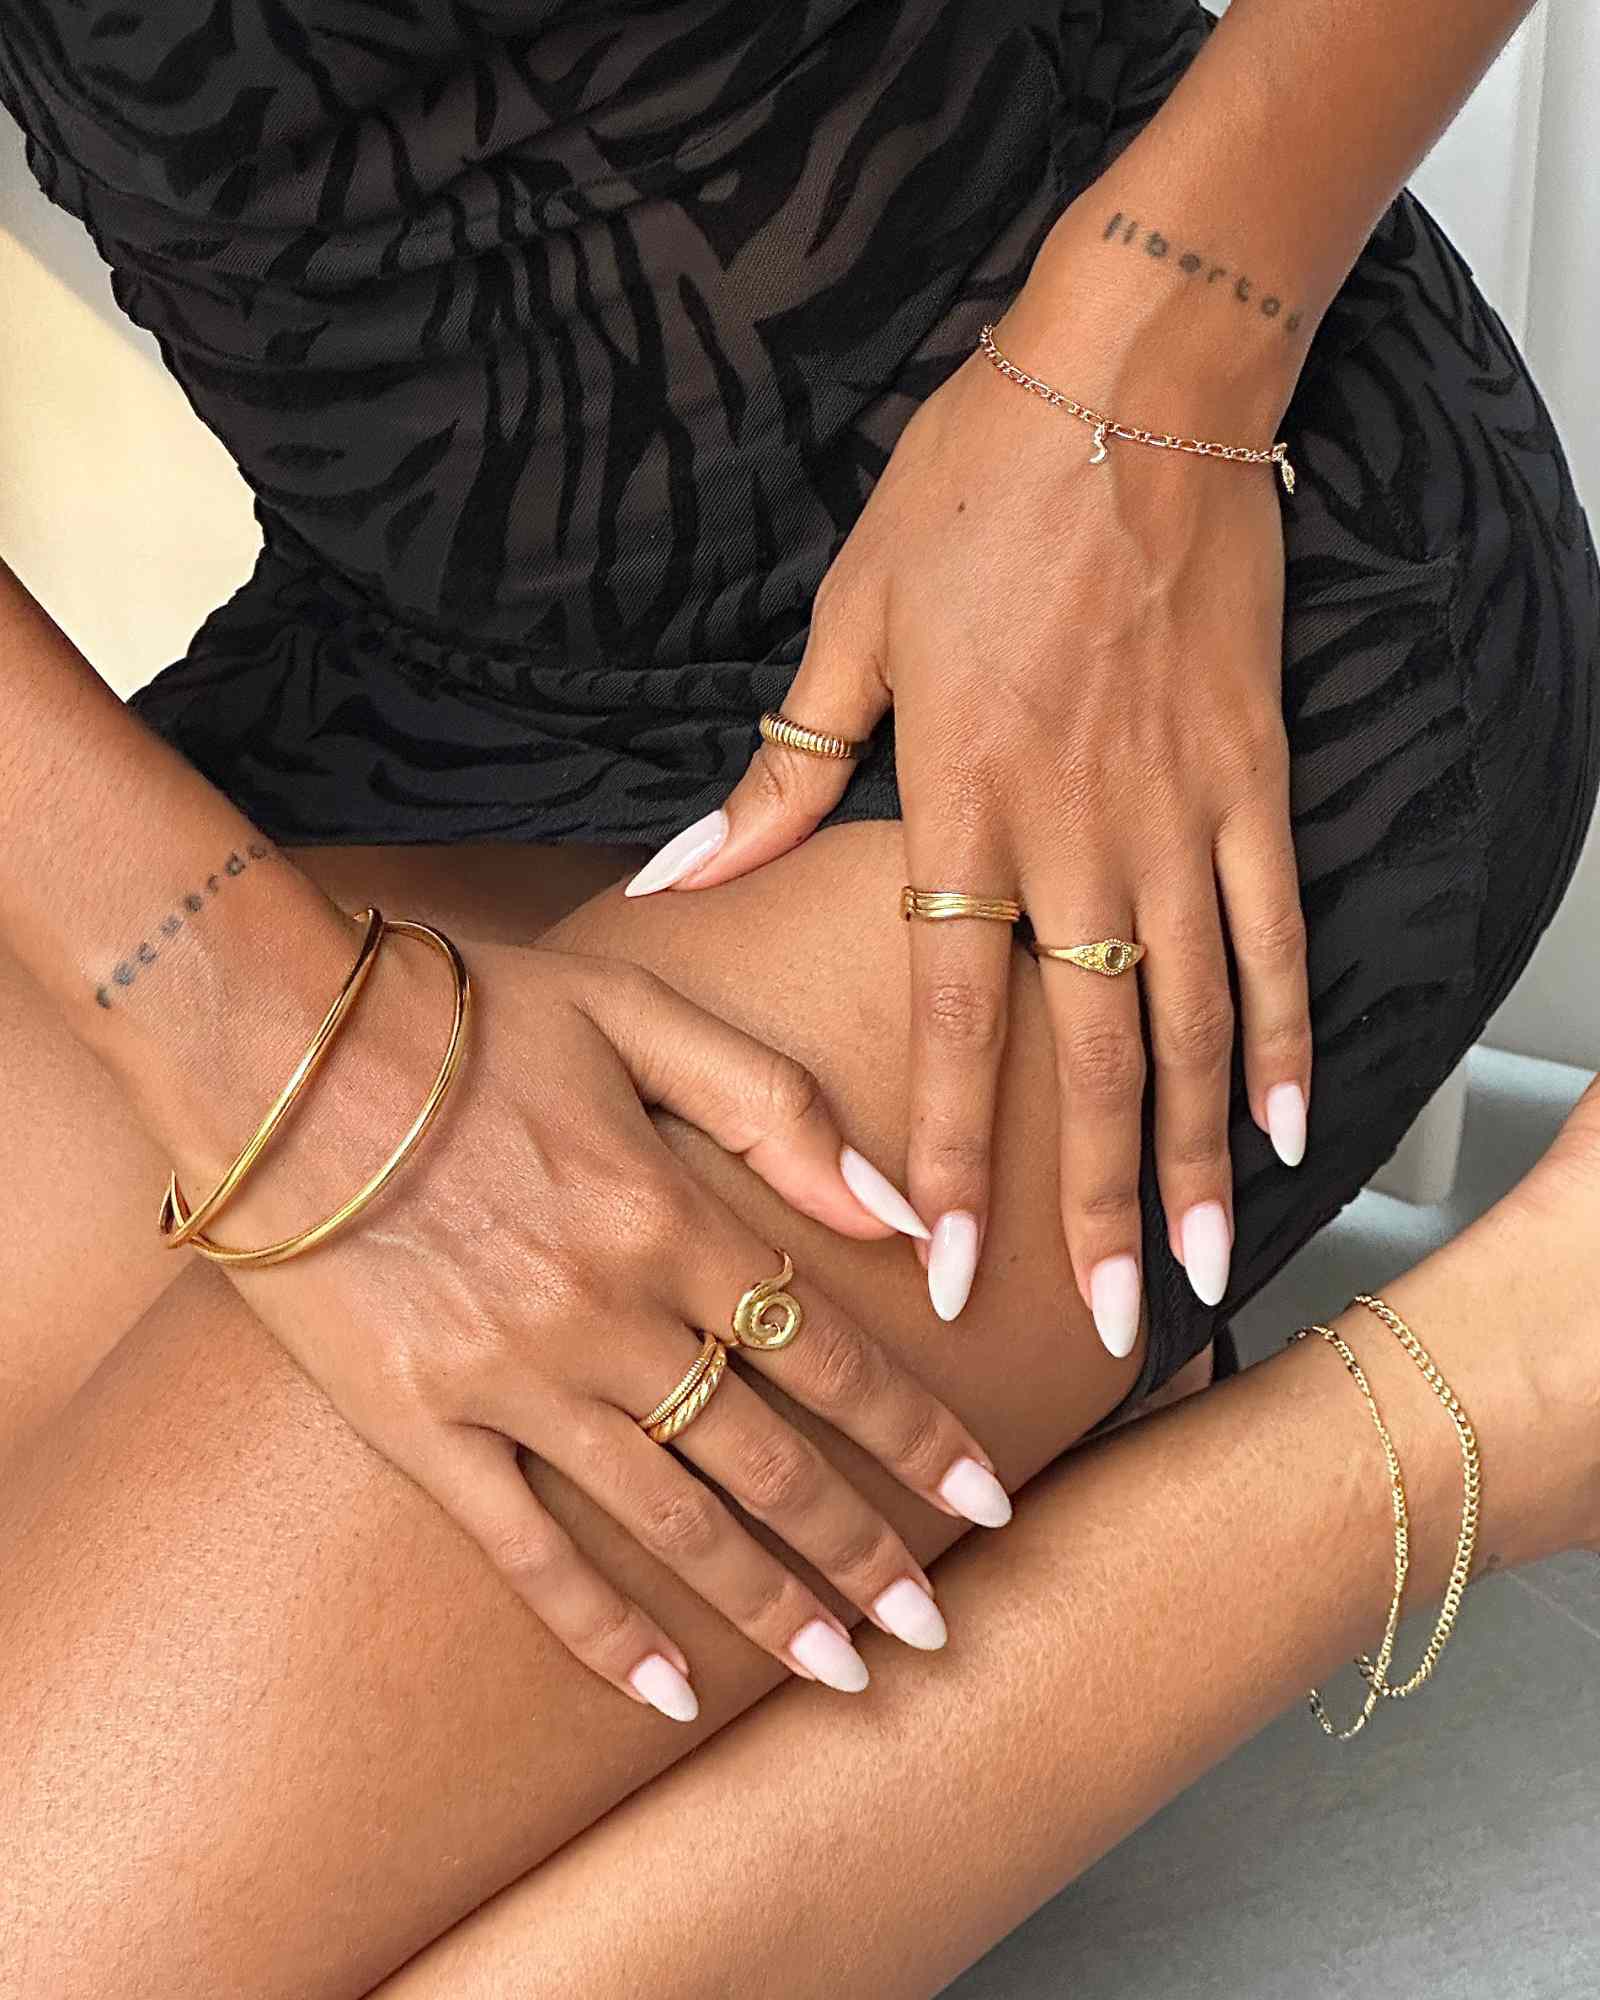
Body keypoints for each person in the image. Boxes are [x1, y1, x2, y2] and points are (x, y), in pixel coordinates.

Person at [0, 0, 1595, 1991]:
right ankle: (1052, 1410)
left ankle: (1463, 1412)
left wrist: (1156, 345)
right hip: (405, 690)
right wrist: (240, 1021)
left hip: (1138, 568)